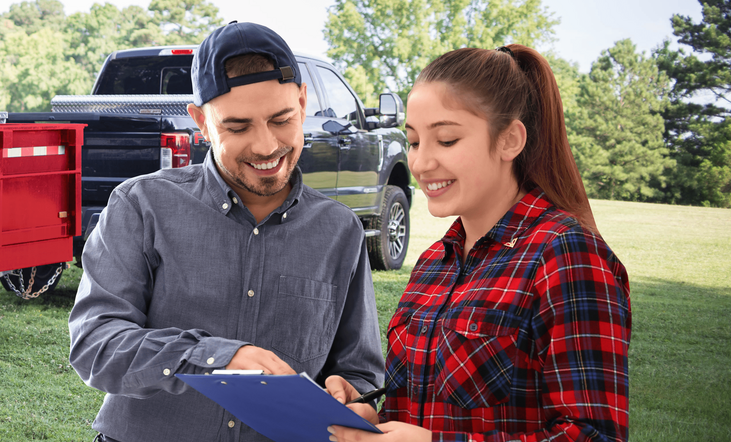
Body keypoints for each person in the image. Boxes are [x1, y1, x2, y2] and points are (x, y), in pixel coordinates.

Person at [68, 21, 384, 442]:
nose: (267, 146)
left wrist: (354, 395)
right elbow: (97, 345)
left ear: (303, 103)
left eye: (282, 119)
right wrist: (215, 357)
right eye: (237, 127)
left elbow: (359, 370)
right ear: (201, 121)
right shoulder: (142, 206)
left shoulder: (340, 231)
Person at [326, 45, 631, 442]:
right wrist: (369, 413)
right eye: (415, 142)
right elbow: (422, 412)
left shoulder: (566, 256)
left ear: (509, 141)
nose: (419, 164)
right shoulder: (434, 262)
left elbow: (594, 436)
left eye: (447, 140)